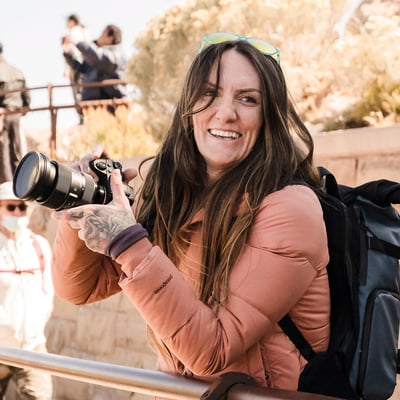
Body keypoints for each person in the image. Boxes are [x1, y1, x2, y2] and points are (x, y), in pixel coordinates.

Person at [51, 33, 330, 396]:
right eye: (209, 94)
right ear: (188, 106)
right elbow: (78, 288)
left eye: (248, 99)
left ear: (268, 116)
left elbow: (210, 353)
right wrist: (85, 204)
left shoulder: (289, 209)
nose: (225, 112)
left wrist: (126, 241)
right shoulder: (175, 197)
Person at [0, 181, 53, 399]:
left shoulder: (39, 245)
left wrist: (35, 329)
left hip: (32, 348)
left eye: (22, 207)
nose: (18, 212)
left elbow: (48, 292)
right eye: (11, 207)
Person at [62, 23, 127, 115]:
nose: (99, 37)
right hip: (93, 107)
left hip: (111, 108)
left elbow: (99, 58)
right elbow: (81, 67)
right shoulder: (95, 56)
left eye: (102, 34)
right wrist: (67, 53)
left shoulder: (116, 53)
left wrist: (78, 43)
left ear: (111, 38)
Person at [0, 42, 30, 183]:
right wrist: (24, 107)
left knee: (4, 151)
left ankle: (7, 185)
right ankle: (21, 182)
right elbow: (26, 94)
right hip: (17, 114)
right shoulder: (16, 71)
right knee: (18, 149)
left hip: (3, 114)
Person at [63, 13, 89, 124]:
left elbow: (69, 50)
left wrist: (67, 68)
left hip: (76, 65)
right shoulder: (84, 31)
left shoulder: (73, 32)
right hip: (85, 64)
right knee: (83, 90)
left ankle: (82, 117)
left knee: (77, 92)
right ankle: (85, 116)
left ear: (72, 21)